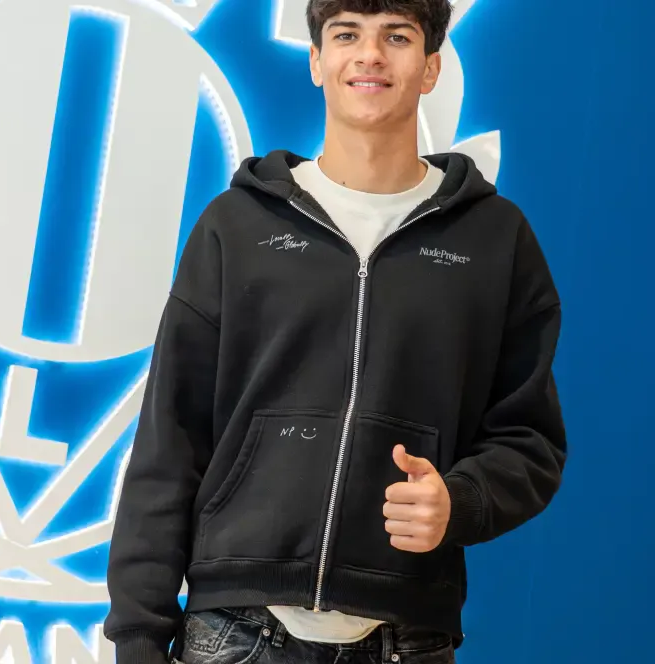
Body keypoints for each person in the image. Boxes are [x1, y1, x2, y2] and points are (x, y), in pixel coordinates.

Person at [104, 0, 567, 661]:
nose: (370, 54)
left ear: (431, 67)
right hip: (235, 631)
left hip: (405, 636)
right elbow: (169, 440)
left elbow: (530, 439)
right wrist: (139, 634)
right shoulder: (238, 226)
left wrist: (459, 501)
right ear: (318, 61)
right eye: (347, 34)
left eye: (397, 36)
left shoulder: (495, 241)